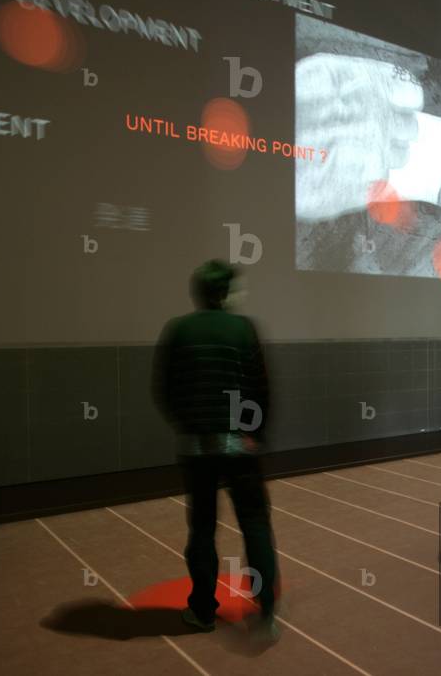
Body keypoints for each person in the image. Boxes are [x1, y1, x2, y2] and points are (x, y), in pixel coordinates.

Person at [152, 260, 279, 642]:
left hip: (195, 448)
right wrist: (255, 431)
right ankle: (266, 608)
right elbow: (260, 389)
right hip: (240, 446)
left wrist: (187, 425)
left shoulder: (178, 330)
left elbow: (164, 389)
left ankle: (203, 610)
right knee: (254, 523)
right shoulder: (243, 329)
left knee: (203, 527)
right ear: (225, 293)